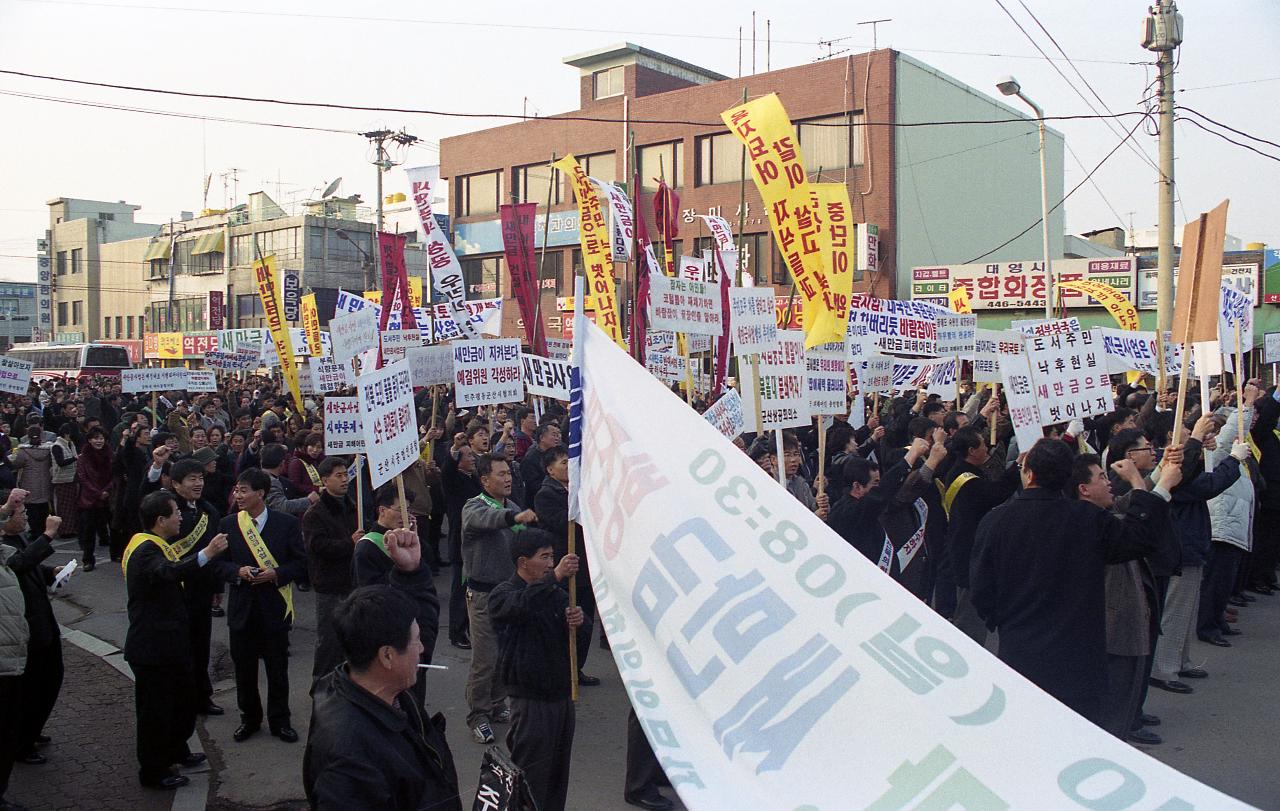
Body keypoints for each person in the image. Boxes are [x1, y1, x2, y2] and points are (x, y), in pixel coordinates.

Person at [970, 438, 1177, 725]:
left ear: (1028, 472)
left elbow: (980, 588)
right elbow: (1138, 539)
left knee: (1026, 729)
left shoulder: (996, 521)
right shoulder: (1088, 519)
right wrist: (1150, 491)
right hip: (1079, 654)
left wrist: (1000, 619)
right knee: (1076, 733)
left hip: (1020, 648)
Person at [303, 530, 461, 811]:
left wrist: (410, 571)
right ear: (387, 656)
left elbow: (421, 622)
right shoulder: (348, 757)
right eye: (415, 642)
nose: (423, 648)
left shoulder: (382, 687)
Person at [123, 491, 229, 789]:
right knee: (155, 712)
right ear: (160, 521)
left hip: (172, 644)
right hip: (153, 648)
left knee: (182, 702)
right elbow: (168, 573)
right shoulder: (146, 550)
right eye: (175, 513)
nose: (181, 517)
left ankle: (177, 750)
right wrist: (206, 554)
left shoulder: (157, 544)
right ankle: (154, 770)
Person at [209, 468, 307, 744]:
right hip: (242, 609)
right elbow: (218, 564)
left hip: (273, 607)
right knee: (244, 670)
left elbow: (300, 563)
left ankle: (280, 721)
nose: (237, 495)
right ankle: (249, 719)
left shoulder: (286, 523)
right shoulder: (228, 524)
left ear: (260, 493)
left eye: (243, 490)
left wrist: (276, 574)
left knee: (277, 669)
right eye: (236, 490)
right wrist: (237, 572)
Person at [489, 529, 582, 811]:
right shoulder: (503, 594)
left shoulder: (554, 594)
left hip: (561, 696)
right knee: (531, 779)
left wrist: (576, 622)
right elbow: (521, 606)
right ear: (523, 562)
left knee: (556, 776)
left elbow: (576, 640)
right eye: (544, 557)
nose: (551, 564)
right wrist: (554, 578)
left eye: (552, 557)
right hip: (530, 700)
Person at [461, 452, 536, 745]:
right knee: (485, 658)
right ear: (484, 479)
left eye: (508, 473)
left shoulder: (513, 507)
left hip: (510, 592)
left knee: (505, 653)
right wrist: (513, 517)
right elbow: (489, 521)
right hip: (482, 594)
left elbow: (522, 538)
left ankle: (496, 703)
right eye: (501, 474)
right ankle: (477, 715)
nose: (508, 478)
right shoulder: (474, 507)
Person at [0, 490, 63, 768]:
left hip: (41, 620)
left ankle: (32, 732)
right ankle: (21, 744)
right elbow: (18, 563)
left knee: (50, 679)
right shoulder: (6, 545)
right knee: (29, 689)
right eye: (20, 513)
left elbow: (31, 564)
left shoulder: (19, 537)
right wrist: (47, 536)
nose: (25, 516)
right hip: (23, 630)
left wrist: (51, 573)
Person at [942, 426, 1022, 643]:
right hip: (968, 554)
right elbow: (996, 494)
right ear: (971, 450)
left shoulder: (959, 469)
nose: (986, 447)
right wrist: (1018, 466)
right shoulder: (968, 480)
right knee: (970, 615)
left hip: (965, 548)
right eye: (983, 445)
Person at [533, 444, 599, 685]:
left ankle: (576, 668)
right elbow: (561, 523)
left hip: (583, 564)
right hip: (563, 565)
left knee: (585, 620)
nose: (569, 467)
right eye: (563, 463)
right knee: (565, 620)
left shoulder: (578, 489)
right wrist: (580, 506)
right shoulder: (546, 494)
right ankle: (562, 669)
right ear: (550, 470)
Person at [166, 458, 226, 716]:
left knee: (201, 645)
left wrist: (217, 587)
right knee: (179, 647)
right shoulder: (166, 509)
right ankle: (181, 698)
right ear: (176, 483)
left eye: (200, 478)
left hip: (201, 589)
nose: (198, 483)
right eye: (192, 479)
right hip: (174, 589)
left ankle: (203, 696)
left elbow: (217, 554)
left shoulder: (209, 510)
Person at [301, 457, 360, 681]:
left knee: (352, 638)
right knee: (330, 641)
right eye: (339, 476)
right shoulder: (315, 513)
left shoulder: (353, 505)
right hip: (330, 585)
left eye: (346, 474)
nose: (345, 480)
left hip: (352, 580)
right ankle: (322, 687)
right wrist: (350, 543)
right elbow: (317, 547)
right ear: (325, 480)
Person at [0, 518, 30, 811]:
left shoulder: (4, 552)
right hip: (3, 660)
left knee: (8, 729)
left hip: (11, 656)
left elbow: (24, 561)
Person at [76, 426, 114, 572]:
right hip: (89, 500)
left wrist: (107, 490)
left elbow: (114, 476)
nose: (99, 441)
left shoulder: (111, 455)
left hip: (107, 498)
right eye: (96, 438)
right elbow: (82, 478)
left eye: (101, 438)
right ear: (90, 440)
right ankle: (88, 560)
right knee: (89, 532)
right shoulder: (83, 457)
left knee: (114, 528)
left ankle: (117, 555)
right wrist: (97, 493)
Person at [11, 423, 52, 537]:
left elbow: (16, 464)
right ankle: (43, 530)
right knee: (43, 507)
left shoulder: (23, 451)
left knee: (31, 509)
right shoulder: (48, 450)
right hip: (45, 482)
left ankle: (34, 530)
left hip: (29, 483)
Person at [49, 423, 78, 539]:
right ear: (66, 434)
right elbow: (60, 462)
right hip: (61, 479)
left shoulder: (70, 444)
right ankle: (65, 530)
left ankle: (71, 528)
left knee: (71, 506)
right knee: (64, 507)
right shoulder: (57, 446)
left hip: (71, 478)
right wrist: (75, 459)